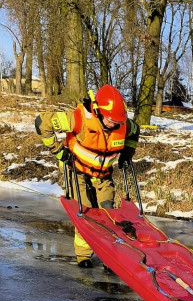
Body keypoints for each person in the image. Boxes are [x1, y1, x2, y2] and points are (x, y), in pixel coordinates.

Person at [35, 85, 140, 267]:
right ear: (98, 111)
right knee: (85, 211)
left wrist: (127, 154)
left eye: (116, 120)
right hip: (77, 171)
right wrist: (58, 151)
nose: (112, 124)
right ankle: (83, 255)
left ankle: (109, 255)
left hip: (102, 175)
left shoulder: (123, 124)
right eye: (109, 120)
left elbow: (134, 131)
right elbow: (41, 122)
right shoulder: (79, 118)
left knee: (108, 212)